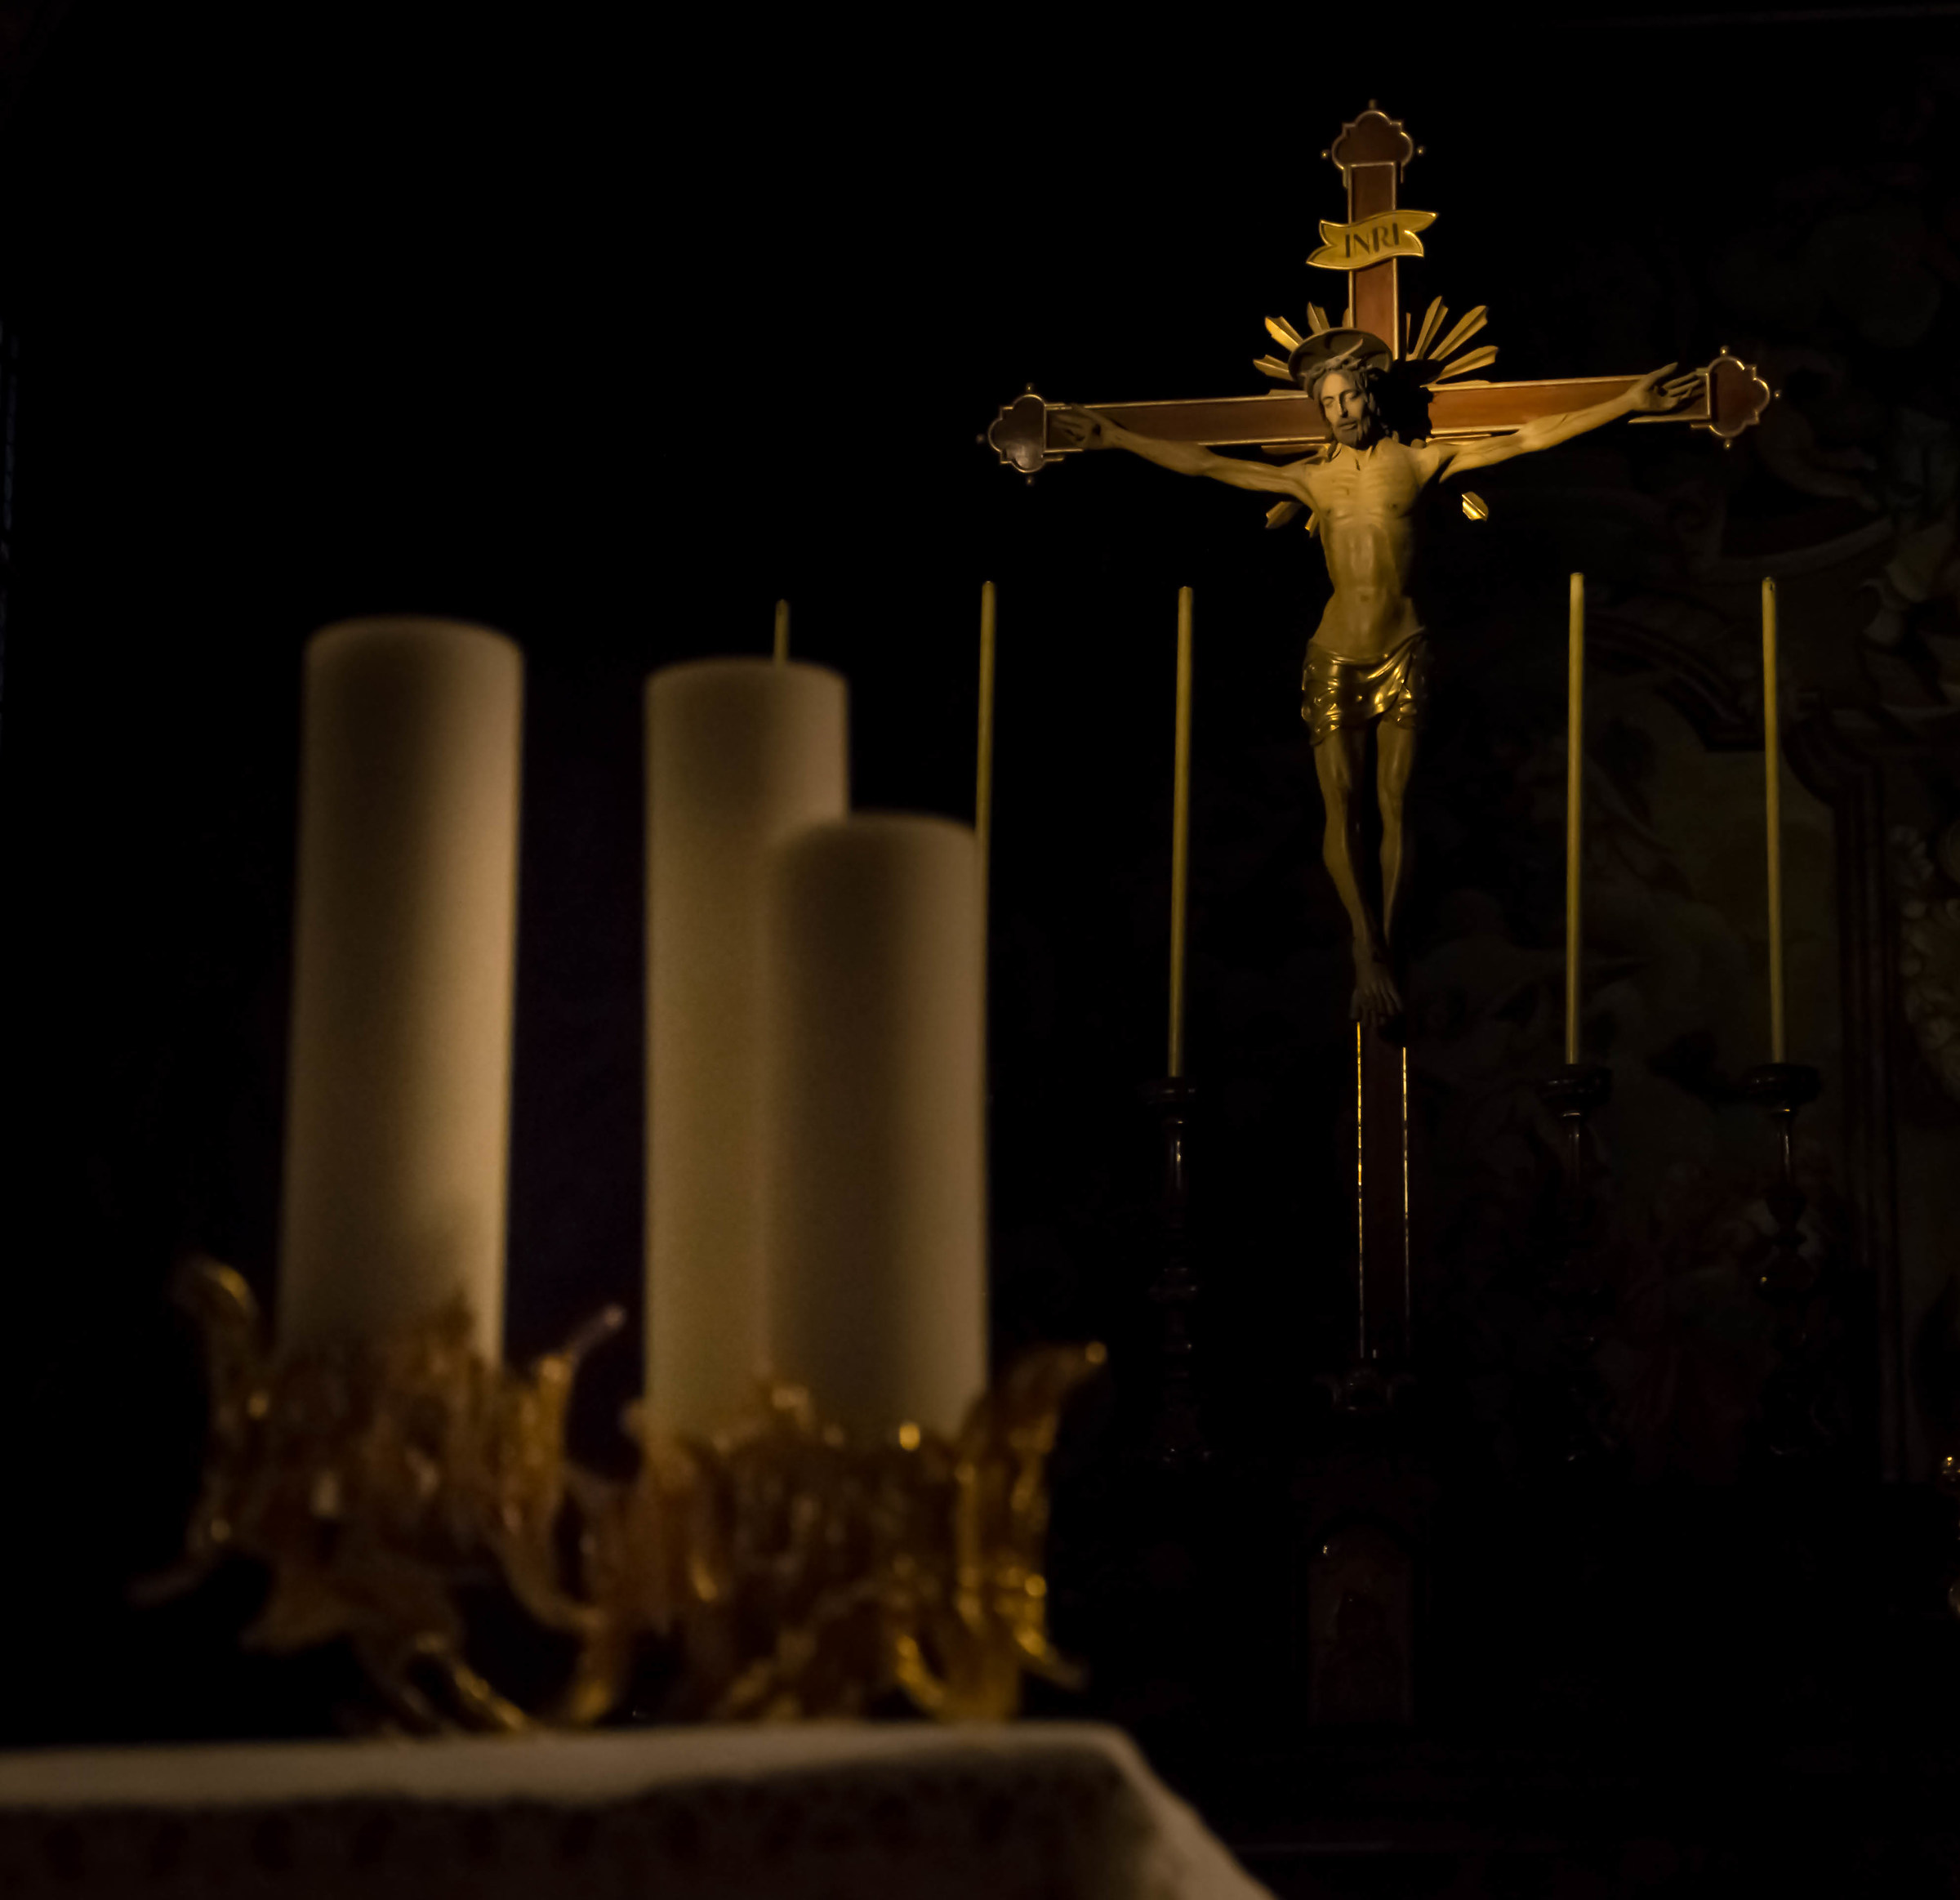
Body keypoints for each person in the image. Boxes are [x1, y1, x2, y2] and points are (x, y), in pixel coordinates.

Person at [1054, 332, 1698, 1023]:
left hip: (1402, 646)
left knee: (1394, 801)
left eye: (1347, 396)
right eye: (1326, 403)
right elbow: (1208, 465)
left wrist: (1627, 399)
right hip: (1335, 651)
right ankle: (1365, 946)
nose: (1338, 411)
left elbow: (1533, 437)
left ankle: (1388, 937)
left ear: (1371, 395)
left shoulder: (1421, 464)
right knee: (1342, 807)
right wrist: (1117, 438)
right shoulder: (1312, 478)